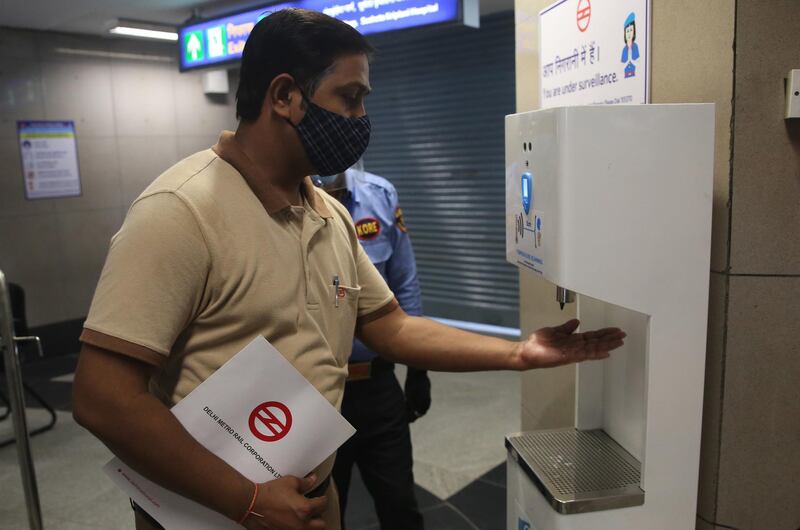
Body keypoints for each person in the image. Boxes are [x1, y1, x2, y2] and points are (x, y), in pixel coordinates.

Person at [72, 9, 626, 530]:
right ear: (285, 95)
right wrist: (251, 502)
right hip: (213, 510)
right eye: (350, 97)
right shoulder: (181, 210)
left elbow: (392, 326)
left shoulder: (326, 212)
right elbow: (103, 398)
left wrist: (518, 352)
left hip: (306, 496)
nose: (362, 119)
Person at [317, 165, 428, 530]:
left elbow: (404, 283)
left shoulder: (380, 195)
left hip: (377, 387)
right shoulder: (286, 200)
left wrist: (418, 368)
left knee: (400, 507)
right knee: (324, 513)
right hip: (314, 396)